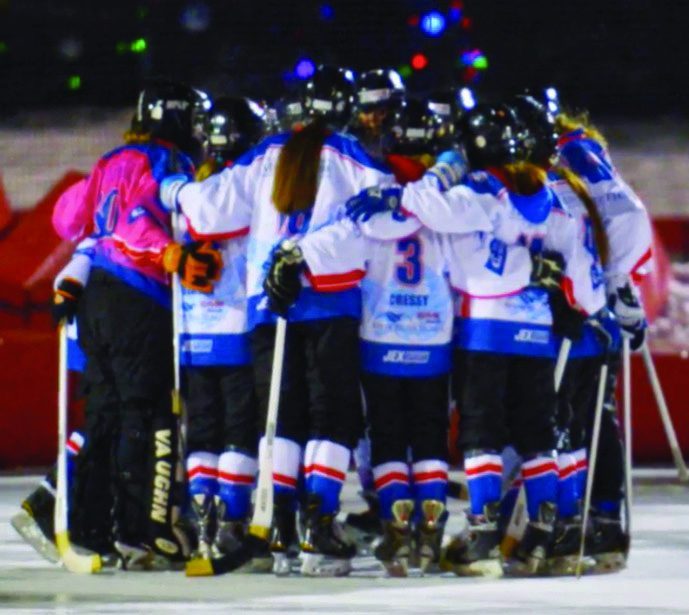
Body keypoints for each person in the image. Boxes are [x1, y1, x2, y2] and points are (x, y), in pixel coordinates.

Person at [342, 102, 599, 576]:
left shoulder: (479, 191)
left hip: (482, 329)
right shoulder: (556, 199)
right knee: (536, 431)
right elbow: (584, 277)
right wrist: (579, 301)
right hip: (535, 332)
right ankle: (544, 527)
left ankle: (482, 528)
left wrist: (405, 195)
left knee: (479, 430)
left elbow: (453, 235)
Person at [160, 65, 394, 577]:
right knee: (330, 418)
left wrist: (173, 190)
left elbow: (211, 210)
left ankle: (280, 527)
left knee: (281, 419)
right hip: (329, 303)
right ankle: (319, 524)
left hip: (268, 307)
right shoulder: (355, 156)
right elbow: (378, 222)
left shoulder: (262, 155)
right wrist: (307, 255)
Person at [51, 78, 222, 569]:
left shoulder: (110, 159)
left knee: (103, 413)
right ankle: (142, 530)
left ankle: (88, 527)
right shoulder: (166, 161)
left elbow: (68, 219)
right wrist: (169, 251)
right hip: (138, 296)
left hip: (98, 295)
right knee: (146, 414)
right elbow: (134, 223)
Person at [554, 104, 653, 569]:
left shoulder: (569, 153)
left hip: (576, 311)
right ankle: (603, 518)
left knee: (573, 414)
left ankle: (582, 516)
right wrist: (622, 287)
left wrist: (614, 285)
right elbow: (628, 218)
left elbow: (624, 215)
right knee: (593, 412)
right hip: (593, 304)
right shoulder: (589, 156)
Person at [180, 96, 270, 568]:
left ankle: (201, 515)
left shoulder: (186, 187)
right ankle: (232, 521)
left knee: (204, 431)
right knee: (238, 430)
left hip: (194, 331)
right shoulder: (248, 184)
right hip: (236, 327)